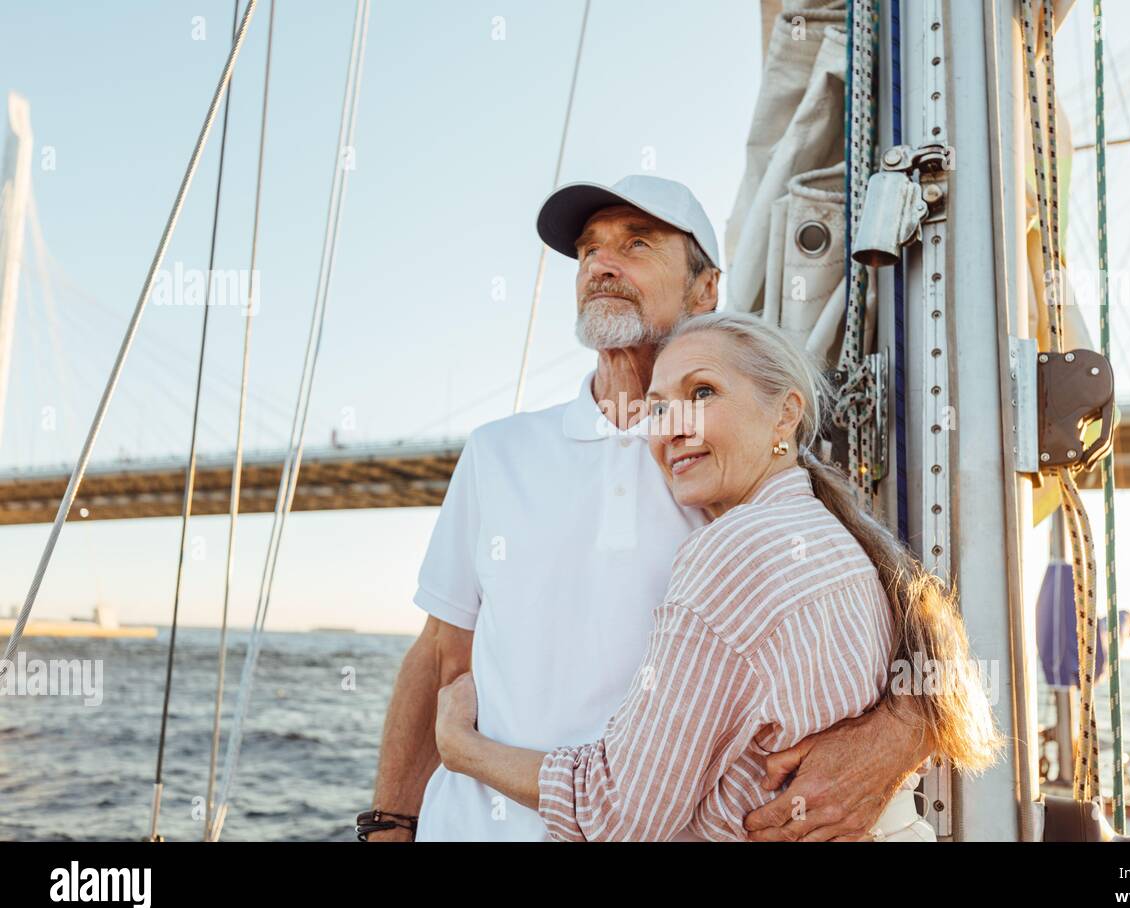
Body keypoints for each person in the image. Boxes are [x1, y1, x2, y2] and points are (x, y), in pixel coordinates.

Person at [364, 175, 940, 842]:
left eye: (636, 243)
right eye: (587, 251)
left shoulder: (731, 466)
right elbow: (440, 652)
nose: (601, 264)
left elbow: (902, 628)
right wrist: (388, 822)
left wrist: (897, 735)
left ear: (706, 288)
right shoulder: (497, 452)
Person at [433, 312, 1003, 840]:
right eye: (657, 409)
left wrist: (462, 749)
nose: (671, 429)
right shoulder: (831, 533)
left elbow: (618, 812)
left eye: (701, 394)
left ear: (785, 412)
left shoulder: (734, 551)